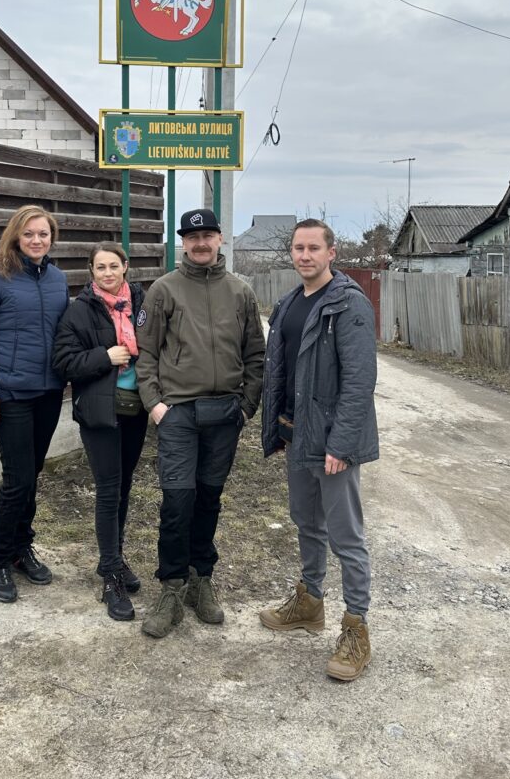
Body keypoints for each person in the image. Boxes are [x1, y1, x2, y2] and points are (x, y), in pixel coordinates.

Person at [136, 208, 265, 638]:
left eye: (208, 235)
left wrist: (246, 407)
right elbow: (146, 353)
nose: (201, 243)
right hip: (178, 414)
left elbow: (256, 355)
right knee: (177, 501)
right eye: (193, 237)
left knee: (209, 499)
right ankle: (171, 587)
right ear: (184, 243)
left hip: (224, 415)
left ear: (220, 238)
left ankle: (200, 579)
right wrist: (155, 405)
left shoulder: (241, 292)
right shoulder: (163, 290)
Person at [259, 218, 379, 681]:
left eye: (313, 248)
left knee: (346, 536)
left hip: (332, 443)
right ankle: (309, 603)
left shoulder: (348, 303)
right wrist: (277, 430)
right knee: (306, 522)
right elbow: (281, 372)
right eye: (298, 248)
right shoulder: (290, 302)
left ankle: (357, 628)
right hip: (298, 435)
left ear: (332, 253)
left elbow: (359, 381)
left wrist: (342, 444)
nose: (305, 255)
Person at [0, 204, 68, 604]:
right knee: (17, 479)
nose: (37, 240)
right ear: (15, 236)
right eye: (29, 234)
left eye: (43, 234)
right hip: (9, 395)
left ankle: (22, 549)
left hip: (48, 393)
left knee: (32, 474)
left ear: (51, 238)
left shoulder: (58, 279)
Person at [53, 243, 148, 622]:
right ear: (91, 271)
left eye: (113, 266)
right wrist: (105, 356)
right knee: (109, 490)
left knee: (124, 487)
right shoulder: (79, 311)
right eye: (100, 267)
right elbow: (63, 361)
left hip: (136, 411)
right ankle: (110, 575)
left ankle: (115, 557)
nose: (107, 273)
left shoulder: (142, 305)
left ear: (126, 267)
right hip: (99, 413)